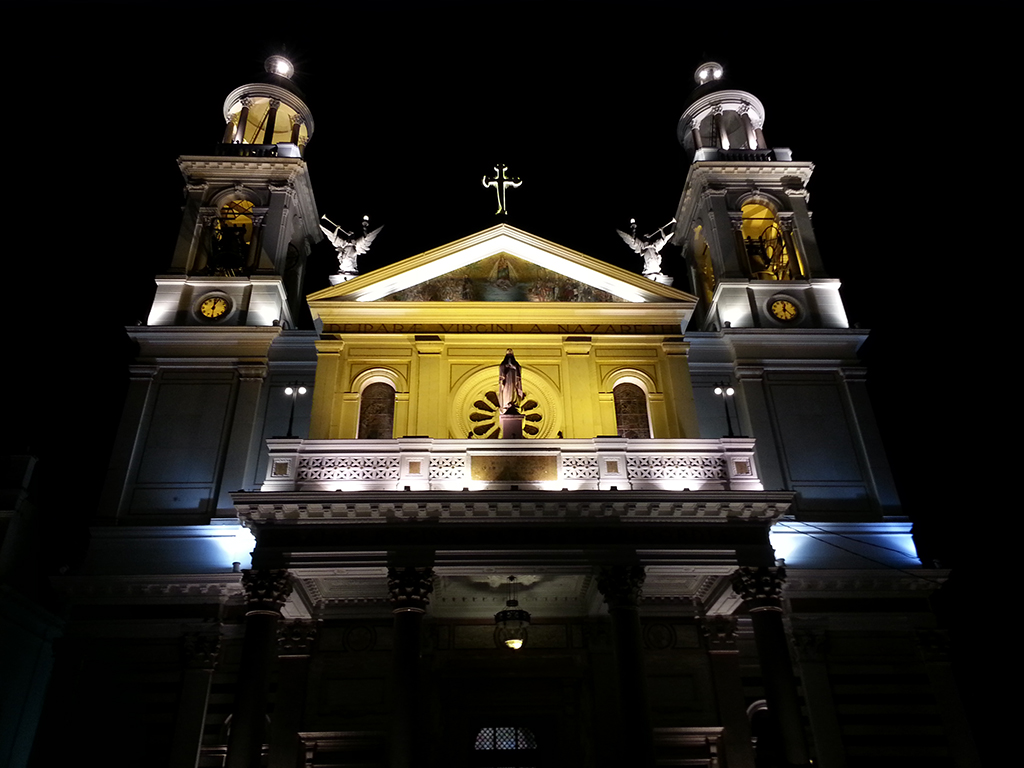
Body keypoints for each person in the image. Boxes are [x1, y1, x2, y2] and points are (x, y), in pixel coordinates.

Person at [498, 349, 524, 414]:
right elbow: (501, 368)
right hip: (506, 381)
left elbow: (519, 369)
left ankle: (514, 404)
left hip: (514, 380)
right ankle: (507, 405)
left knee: (514, 391)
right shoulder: (503, 365)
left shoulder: (516, 365)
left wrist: (513, 366)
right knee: (506, 392)